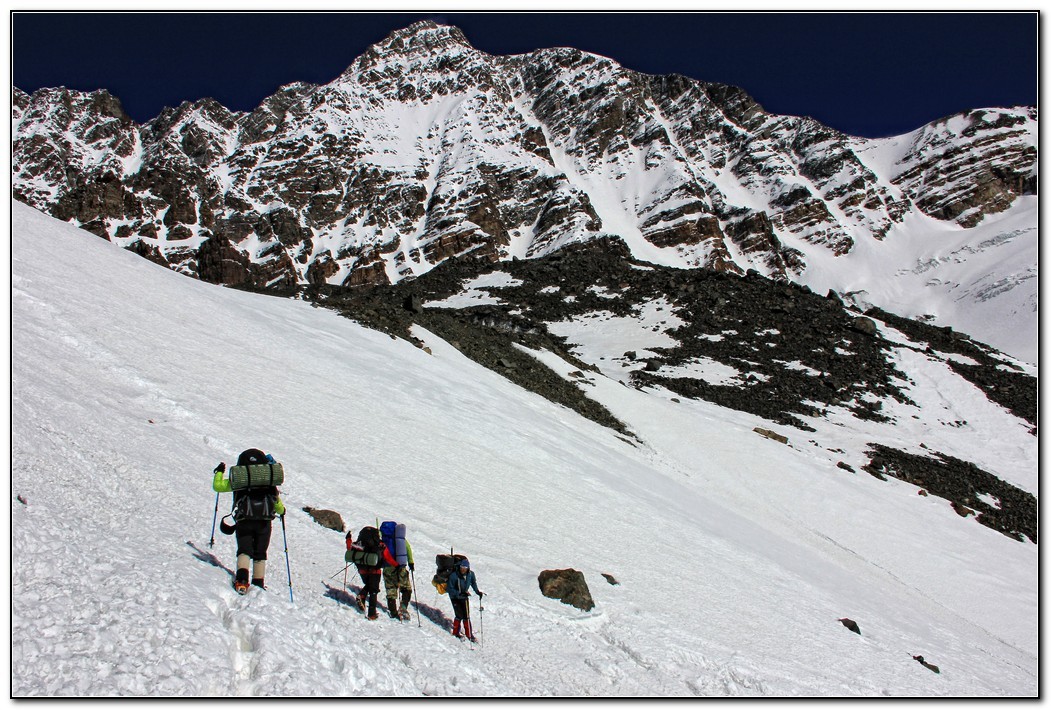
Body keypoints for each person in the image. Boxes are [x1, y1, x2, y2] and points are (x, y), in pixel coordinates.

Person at [212, 448, 285, 594]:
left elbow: (217, 487)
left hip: (244, 520)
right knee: (260, 553)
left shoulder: (241, 479)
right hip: (264, 522)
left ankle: (242, 581)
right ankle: (258, 584)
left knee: (244, 550)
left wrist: (219, 472)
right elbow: (277, 503)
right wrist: (282, 511)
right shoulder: (268, 480)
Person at [346, 528, 397, 620]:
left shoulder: (358, 544)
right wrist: (397, 566)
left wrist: (348, 538)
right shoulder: (380, 544)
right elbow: (388, 557)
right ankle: (371, 614)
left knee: (369, 585)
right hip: (375, 570)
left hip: (362, 570)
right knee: (373, 591)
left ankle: (362, 596)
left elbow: (349, 547)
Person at [446, 558, 483, 641]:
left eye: (465, 567)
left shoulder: (470, 574)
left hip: (464, 596)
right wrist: (458, 593)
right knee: (459, 615)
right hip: (454, 597)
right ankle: (456, 633)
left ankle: (469, 635)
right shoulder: (454, 575)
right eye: (462, 567)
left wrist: (477, 592)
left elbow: (473, 583)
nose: (463, 569)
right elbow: (449, 588)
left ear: (468, 568)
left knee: (466, 616)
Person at [383, 536, 415, 620]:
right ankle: (403, 607)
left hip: (388, 567)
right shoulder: (400, 538)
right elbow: (408, 548)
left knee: (391, 590)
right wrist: (411, 562)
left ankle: (393, 612)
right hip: (401, 567)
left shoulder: (384, 538)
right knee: (406, 588)